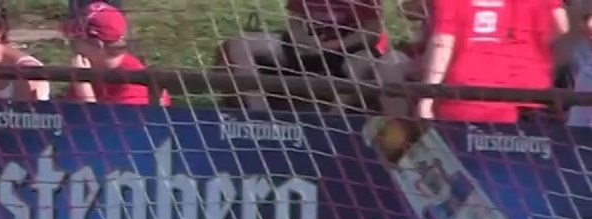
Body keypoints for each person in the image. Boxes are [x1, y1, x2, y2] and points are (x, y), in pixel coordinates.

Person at [217, 0, 385, 111]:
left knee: (363, 64)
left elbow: (372, 31)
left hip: (349, 49)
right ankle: (260, 114)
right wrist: (302, 40)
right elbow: (295, 20)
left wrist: (333, 46)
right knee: (241, 44)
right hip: (308, 45)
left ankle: (334, 120)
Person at [419, 0, 567, 122]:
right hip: (535, 90)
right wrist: (537, 48)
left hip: (470, 93)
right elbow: (561, 25)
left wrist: (427, 96)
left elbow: (443, 41)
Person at [63, 2, 168, 105]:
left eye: (76, 39)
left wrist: (84, 91)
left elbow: (104, 122)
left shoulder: (136, 88)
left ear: (98, 45)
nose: (72, 45)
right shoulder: (94, 69)